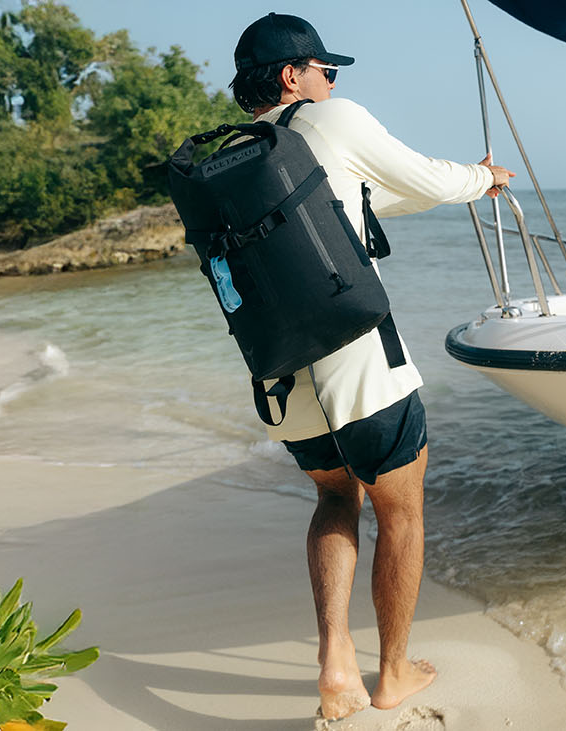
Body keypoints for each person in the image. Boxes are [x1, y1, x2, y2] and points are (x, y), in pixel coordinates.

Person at [225, 12, 513, 721]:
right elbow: (423, 177)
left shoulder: (243, 156)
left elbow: (379, 196)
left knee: (333, 499)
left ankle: (334, 660)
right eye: (327, 70)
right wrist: (482, 177)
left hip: (280, 373)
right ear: (293, 76)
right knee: (401, 510)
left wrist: (459, 184)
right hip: (359, 357)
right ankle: (392, 673)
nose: (334, 81)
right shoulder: (335, 121)